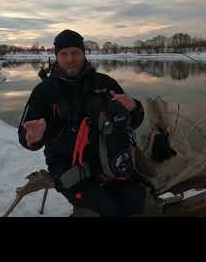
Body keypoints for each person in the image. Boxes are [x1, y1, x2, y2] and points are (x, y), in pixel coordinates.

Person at [18, 29, 146, 217]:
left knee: (136, 202)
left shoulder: (105, 83)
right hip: (69, 167)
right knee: (108, 208)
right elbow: (24, 136)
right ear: (56, 57)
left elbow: (133, 122)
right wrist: (32, 138)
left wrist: (134, 107)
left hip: (108, 161)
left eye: (75, 53)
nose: (70, 59)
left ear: (83, 53)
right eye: (64, 54)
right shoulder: (44, 91)